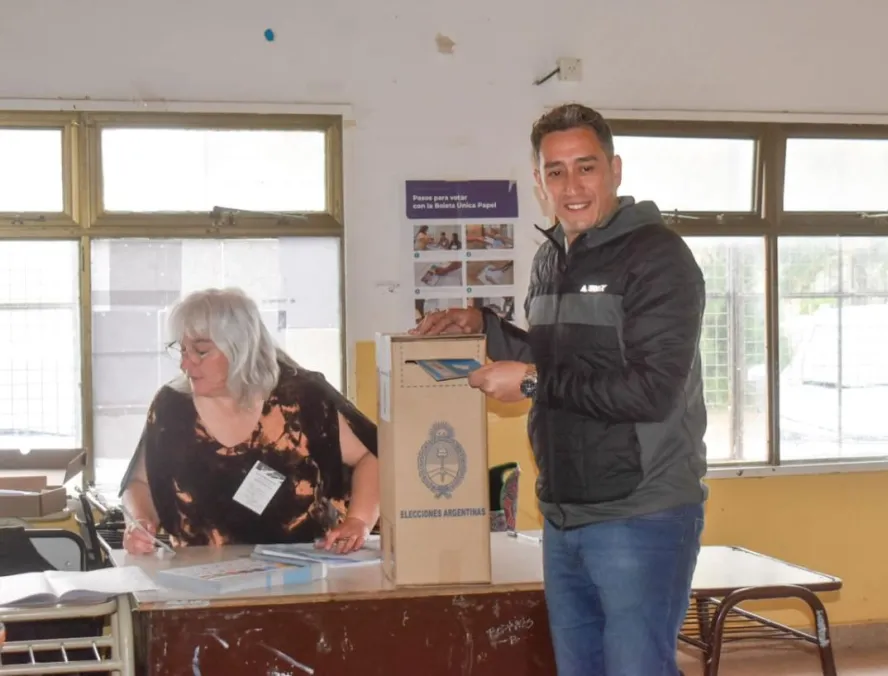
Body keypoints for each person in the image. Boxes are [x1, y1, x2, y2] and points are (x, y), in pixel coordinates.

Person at [412, 102, 708, 676]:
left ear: (615, 171)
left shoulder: (659, 257)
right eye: (555, 171)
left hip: (640, 513)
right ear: (538, 181)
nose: (571, 186)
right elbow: (555, 362)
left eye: (586, 167)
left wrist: (529, 380)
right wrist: (485, 326)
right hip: (564, 510)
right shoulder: (551, 258)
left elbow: (649, 391)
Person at [120, 288, 379, 556]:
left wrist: (358, 521)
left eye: (200, 351)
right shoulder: (171, 407)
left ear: (240, 348)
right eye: (182, 350)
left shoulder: (303, 399)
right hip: (199, 579)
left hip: (301, 574)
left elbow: (372, 456)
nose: (186, 363)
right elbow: (140, 483)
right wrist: (139, 522)